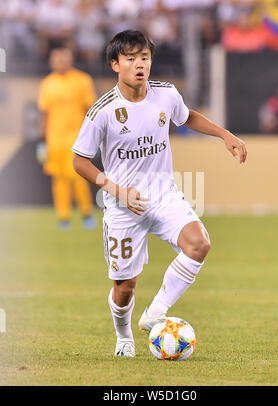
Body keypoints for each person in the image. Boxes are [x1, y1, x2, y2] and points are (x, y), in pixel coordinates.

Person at [72, 30, 247, 356]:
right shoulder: (103, 112)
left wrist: (225, 135)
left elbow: (187, 116)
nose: (140, 65)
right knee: (125, 287)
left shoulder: (166, 94)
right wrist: (116, 191)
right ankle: (123, 336)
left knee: (199, 243)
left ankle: (155, 313)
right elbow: (79, 161)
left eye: (145, 58)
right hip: (123, 205)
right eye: (131, 59)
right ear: (115, 64)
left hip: (163, 194)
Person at [38, 47, 97, 230]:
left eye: (63, 59)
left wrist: (94, 136)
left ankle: (86, 213)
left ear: (70, 60)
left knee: (78, 176)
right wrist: (43, 140)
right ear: (51, 62)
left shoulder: (82, 80)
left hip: (77, 137)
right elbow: (45, 113)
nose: (59, 62)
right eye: (56, 59)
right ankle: (63, 217)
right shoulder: (48, 83)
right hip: (55, 139)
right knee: (59, 178)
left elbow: (91, 110)